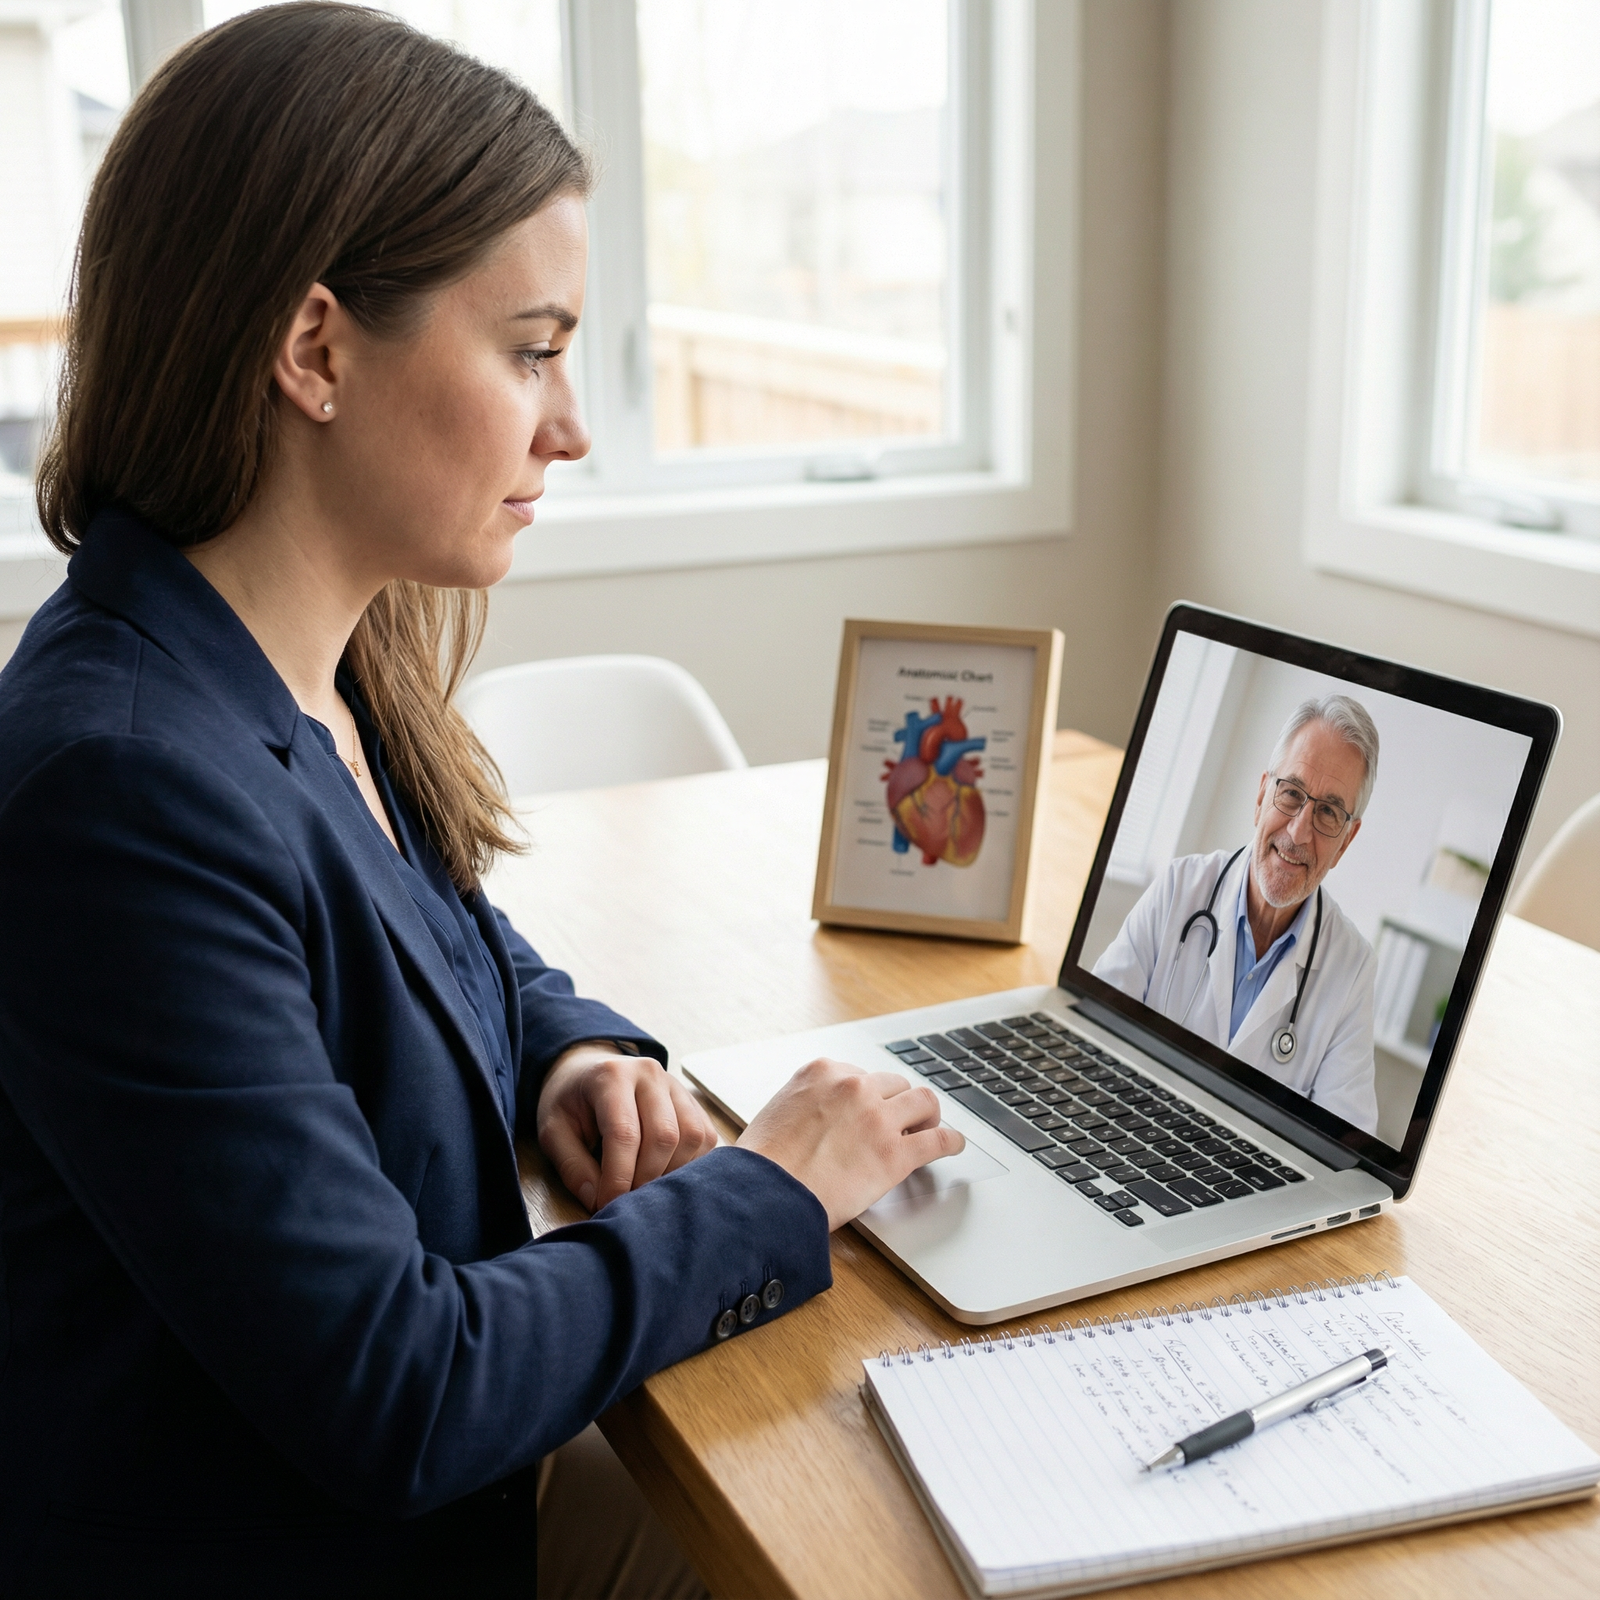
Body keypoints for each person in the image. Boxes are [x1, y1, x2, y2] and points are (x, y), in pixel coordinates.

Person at [0, 6, 963, 1595]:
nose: (570, 429)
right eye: (531, 351)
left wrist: (565, 1046)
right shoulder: (117, 791)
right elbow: (403, 1387)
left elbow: (429, 925)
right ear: (312, 348)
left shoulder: (302, 658)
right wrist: (769, 1188)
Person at [1092, 695, 1381, 1133]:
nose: (1299, 831)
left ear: (1346, 840)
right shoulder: (1179, 889)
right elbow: (1091, 1037)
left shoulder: (1352, 967)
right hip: (1128, 1130)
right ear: (1263, 793)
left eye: (1327, 812)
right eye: (1291, 794)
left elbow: (1345, 1149)